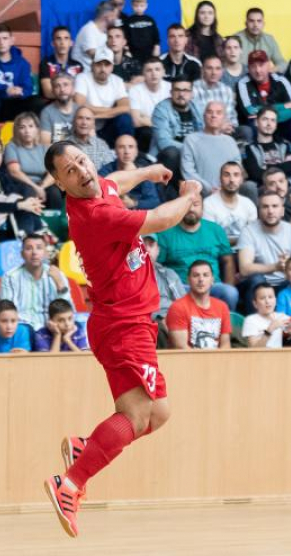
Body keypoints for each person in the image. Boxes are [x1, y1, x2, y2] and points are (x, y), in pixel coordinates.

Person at [42, 140, 201, 538]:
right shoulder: (93, 215)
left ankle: (88, 447)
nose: (82, 172)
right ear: (61, 183)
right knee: (135, 416)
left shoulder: (99, 190)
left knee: (158, 414)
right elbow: (163, 220)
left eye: (82, 161)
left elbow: (114, 180)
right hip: (123, 328)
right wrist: (191, 195)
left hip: (131, 323)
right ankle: (71, 482)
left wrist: (147, 173)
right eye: (70, 171)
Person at [155, 198, 238, 312]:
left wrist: (229, 285)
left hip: (213, 285)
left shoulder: (215, 229)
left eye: (195, 205)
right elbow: (157, 266)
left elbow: (228, 260)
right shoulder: (166, 232)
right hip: (181, 287)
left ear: (203, 208)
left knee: (230, 293)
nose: (191, 209)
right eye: (187, 204)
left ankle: (226, 325)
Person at [237, 191, 291, 307]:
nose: (270, 211)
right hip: (260, 285)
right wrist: (275, 267)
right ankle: (259, 324)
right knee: (256, 279)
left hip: (287, 282)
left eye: (275, 206)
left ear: (282, 211)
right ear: (259, 211)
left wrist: (290, 266)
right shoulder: (248, 232)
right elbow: (244, 269)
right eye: (265, 207)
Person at [0, 233, 72, 331]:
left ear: (46, 253)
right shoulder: (10, 277)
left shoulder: (58, 275)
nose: (34, 252)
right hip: (22, 328)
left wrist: (60, 284)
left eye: (39, 248)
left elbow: (68, 312)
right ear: (22, 254)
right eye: (29, 248)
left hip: (52, 328)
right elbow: (7, 311)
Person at [235, 50, 291, 149]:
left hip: (281, 122)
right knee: (253, 124)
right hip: (258, 125)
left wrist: (271, 119)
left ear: (268, 65)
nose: (258, 70)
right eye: (253, 66)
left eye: (261, 65)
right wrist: (283, 106)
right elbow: (250, 111)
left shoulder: (281, 80)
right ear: (248, 69)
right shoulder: (243, 83)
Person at [0, 24, 43, 121]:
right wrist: (5, 89)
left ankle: (33, 133)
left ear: (12, 41)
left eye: (5, 38)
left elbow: (28, 87)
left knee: (37, 102)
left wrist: (20, 92)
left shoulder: (22, 62)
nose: (1, 42)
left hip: (15, 101)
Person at [151, 76, 203, 196]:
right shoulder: (161, 109)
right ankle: (163, 195)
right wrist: (192, 150)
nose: (181, 94)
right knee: (172, 153)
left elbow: (204, 134)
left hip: (192, 154)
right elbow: (164, 143)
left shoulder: (198, 108)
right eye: (177, 90)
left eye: (185, 90)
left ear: (191, 93)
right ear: (171, 92)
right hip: (168, 157)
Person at [73, 46, 133, 146]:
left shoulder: (117, 81)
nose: (103, 69)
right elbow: (80, 104)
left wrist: (97, 116)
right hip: (84, 126)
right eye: (99, 64)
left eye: (107, 65)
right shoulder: (82, 78)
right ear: (92, 65)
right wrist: (112, 110)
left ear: (112, 67)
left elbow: (125, 107)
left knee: (125, 119)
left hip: (106, 127)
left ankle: (125, 152)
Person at [165, 260, 232, 349]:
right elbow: (181, 348)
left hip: (216, 361)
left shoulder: (222, 307)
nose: (201, 279)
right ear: (188, 280)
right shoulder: (178, 307)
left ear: (212, 280)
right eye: (196, 275)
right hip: (187, 361)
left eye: (205, 275)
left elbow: (226, 345)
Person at [181, 102, 242, 197]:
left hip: (229, 193)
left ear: (224, 118)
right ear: (204, 116)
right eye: (210, 112)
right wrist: (209, 189)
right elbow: (187, 170)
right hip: (200, 195)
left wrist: (225, 189)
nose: (214, 115)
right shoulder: (191, 139)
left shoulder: (230, 142)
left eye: (218, 112)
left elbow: (237, 170)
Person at [7, 112, 63, 210]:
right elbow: (14, 171)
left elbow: (53, 172)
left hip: (41, 184)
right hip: (20, 185)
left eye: (31, 126)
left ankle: (55, 223)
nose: (27, 131)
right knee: (29, 192)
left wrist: (42, 187)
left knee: (55, 193)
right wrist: (35, 187)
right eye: (22, 127)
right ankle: (33, 223)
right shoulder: (11, 146)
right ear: (17, 130)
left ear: (37, 129)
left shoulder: (43, 148)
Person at [242, 106, 291, 194]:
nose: (269, 124)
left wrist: (266, 167)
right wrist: (282, 165)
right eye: (265, 119)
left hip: (287, 187)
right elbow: (255, 173)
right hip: (263, 189)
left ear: (276, 125)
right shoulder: (248, 147)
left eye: (273, 120)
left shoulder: (285, 144)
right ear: (256, 122)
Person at [242, 283, 291, 348]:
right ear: (255, 303)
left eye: (270, 297)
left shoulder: (280, 317)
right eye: (262, 298)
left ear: (275, 300)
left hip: (278, 360)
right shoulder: (250, 320)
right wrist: (270, 330)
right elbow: (254, 349)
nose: (267, 301)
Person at [98, 135, 160, 210]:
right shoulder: (106, 170)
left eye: (131, 147)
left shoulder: (144, 172)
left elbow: (154, 202)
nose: (126, 152)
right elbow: (98, 194)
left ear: (136, 152)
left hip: (136, 214)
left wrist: (134, 203)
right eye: (121, 147)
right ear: (115, 151)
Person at [202, 162, 257, 245]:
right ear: (220, 178)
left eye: (236, 175)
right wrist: (243, 239)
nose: (231, 179)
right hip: (217, 253)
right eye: (227, 175)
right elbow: (210, 238)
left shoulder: (249, 205)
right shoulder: (208, 204)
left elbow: (253, 237)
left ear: (242, 179)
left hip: (244, 252)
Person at [192, 55, 241, 137]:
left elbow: (231, 116)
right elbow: (197, 119)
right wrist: (217, 128)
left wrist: (229, 126)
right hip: (203, 133)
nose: (214, 72)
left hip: (226, 132)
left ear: (222, 71)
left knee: (245, 131)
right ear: (203, 70)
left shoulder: (226, 90)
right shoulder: (194, 89)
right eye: (209, 68)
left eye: (217, 69)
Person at [128, 57, 170, 152]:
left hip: (168, 131)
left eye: (157, 69)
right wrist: (161, 123)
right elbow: (136, 121)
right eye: (149, 70)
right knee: (146, 132)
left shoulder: (170, 88)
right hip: (147, 132)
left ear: (163, 72)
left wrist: (145, 118)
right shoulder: (135, 90)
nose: (153, 74)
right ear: (143, 73)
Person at [143, 233, 185, 327]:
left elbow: (184, 305)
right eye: (143, 245)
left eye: (151, 245)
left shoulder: (169, 274)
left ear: (158, 250)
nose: (147, 249)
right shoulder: (127, 277)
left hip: (174, 319)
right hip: (149, 322)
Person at [39, 26, 86, 99]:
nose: (62, 42)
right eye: (58, 39)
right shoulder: (46, 63)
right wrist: (69, 94)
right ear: (53, 43)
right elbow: (48, 92)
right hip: (52, 104)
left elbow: (81, 92)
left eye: (66, 38)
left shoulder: (78, 66)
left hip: (73, 105)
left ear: (71, 43)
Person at [235, 8, 287, 72]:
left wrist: (269, 71)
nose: (255, 25)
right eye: (251, 21)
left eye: (259, 21)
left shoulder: (269, 40)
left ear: (263, 24)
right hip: (240, 78)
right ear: (246, 23)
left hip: (262, 78)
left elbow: (283, 64)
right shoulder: (236, 39)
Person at [73, 1, 116, 66]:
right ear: (107, 16)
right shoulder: (89, 30)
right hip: (83, 72)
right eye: (114, 16)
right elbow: (95, 55)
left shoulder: (105, 32)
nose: (116, 18)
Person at [122, 0, 159, 65]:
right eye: (136, 6)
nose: (139, 8)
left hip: (149, 52)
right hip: (134, 52)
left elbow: (155, 34)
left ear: (146, 5)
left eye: (141, 6)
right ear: (132, 5)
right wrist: (127, 50)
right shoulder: (128, 21)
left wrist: (157, 46)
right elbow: (125, 36)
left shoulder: (150, 20)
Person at [40, 72, 77, 145]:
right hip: (56, 154)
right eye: (57, 86)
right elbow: (45, 145)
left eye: (66, 85)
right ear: (53, 91)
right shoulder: (47, 112)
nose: (62, 89)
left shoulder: (81, 110)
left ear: (73, 88)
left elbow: (91, 141)